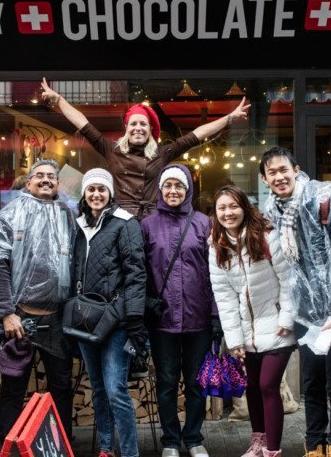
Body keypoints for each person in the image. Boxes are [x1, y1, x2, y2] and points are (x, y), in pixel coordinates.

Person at [259, 147, 331, 457]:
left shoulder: (324, 201)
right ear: (265, 179)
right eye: (271, 173)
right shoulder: (271, 211)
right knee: (312, 381)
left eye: (283, 170)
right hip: (306, 313)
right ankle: (314, 441)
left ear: (296, 169)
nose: (279, 177)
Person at [0, 159, 77, 457]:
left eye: (52, 176)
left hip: (57, 320)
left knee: (61, 387)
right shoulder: (11, 214)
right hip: (19, 319)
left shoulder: (68, 216)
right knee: (12, 390)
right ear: (29, 181)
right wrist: (7, 312)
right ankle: (2, 452)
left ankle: (61, 449)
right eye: (40, 176)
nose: (46, 180)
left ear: (58, 184)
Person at [39, 78, 250, 218]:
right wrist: (59, 100)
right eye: (133, 124)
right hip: (119, 222)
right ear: (127, 128)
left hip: (152, 223)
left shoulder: (162, 153)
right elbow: (83, 124)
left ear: (150, 129)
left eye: (143, 124)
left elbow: (197, 135)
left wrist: (229, 118)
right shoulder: (112, 150)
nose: (138, 128)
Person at [208, 185, 295, 457]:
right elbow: (224, 297)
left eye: (233, 206)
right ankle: (258, 442)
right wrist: (234, 340)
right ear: (215, 213)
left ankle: (272, 450)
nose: (228, 212)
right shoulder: (216, 247)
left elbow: (289, 280)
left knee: (268, 384)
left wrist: (287, 317)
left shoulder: (266, 236)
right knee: (253, 387)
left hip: (278, 326)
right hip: (248, 331)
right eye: (222, 208)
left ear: (244, 207)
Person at [140, 164, 218, 457]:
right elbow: (142, 272)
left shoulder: (203, 223)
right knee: (167, 382)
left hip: (199, 318)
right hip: (162, 320)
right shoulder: (147, 225)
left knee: (197, 383)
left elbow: (215, 272)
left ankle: (195, 438)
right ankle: (171, 441)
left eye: (179, 186)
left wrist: (215, 314)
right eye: (168, 186)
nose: (173, 191)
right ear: (160, 190)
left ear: (188, 190)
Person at [71, 168, 147, 457]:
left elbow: (136, 274)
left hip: (116, 320)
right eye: (91, 189)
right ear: (84, 193)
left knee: (116, 389)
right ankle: (106, 447)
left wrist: (134, 317)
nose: (96, 194)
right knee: (99, 389)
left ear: (110, 193)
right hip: (85, 319)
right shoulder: (79, 225)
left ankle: (130, 453)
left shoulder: (125, 223)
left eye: (102, 189)